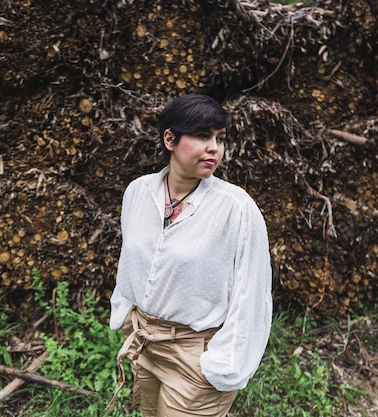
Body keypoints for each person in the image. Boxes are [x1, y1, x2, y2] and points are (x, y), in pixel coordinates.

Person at [107, 94, 272, 417]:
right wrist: (125, 314)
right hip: (145, 344)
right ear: (170, 138)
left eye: (220, 139)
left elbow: (252, 293)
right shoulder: (138, 192)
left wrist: (224, 363)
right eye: (202, 136)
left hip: (196, 353)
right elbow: (130, 262)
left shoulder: (236, 209)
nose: (214, 148)